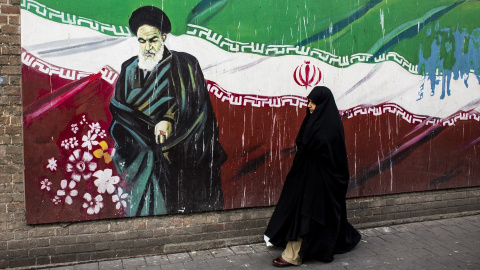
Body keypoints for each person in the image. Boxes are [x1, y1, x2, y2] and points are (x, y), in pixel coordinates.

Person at [108, 6, 226, 216]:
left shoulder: (185, 65)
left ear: (163, 37)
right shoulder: (129, 69)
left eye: (152, 40)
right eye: (142, 41)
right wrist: (141, 133)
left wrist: (169, 120)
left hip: (179, 150)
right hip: (140, 154)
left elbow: (197, 108)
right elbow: (120, 111)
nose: (147, 47)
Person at [264, 86, 361, 267]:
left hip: (323, 181)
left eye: (313, 102)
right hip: (307, 177)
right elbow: (304, 142)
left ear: (322, 104)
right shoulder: (313, 121)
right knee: (314, 215)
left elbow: (333, 157)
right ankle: (333, 241)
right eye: (309, 101)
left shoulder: (330, 126)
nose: (309, 106)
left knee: (306, 214)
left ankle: (293, 255)